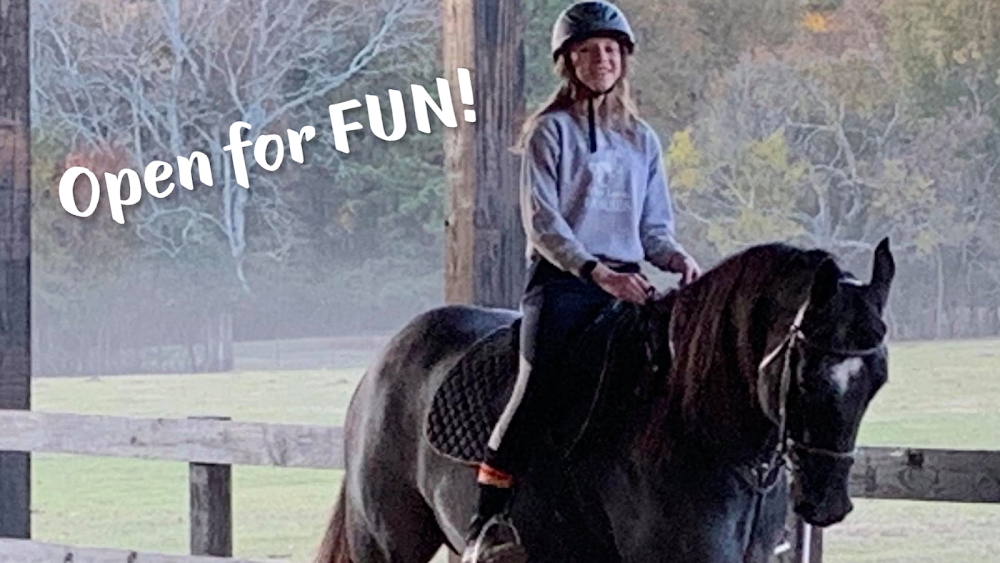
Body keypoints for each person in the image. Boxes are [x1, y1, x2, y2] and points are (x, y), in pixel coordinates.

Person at [460, 2, 701, 562]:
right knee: (536, 384)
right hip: (564, 284)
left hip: (628, 281)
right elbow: (544, 223)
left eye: (611, 51)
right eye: (590, 51)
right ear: (569, 61)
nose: (602, 60)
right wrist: (596, 272)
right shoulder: (550, 132)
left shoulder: (643, 141)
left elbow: (654, 227)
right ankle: (485, 522)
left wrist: (675, 258)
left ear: (624, 61)